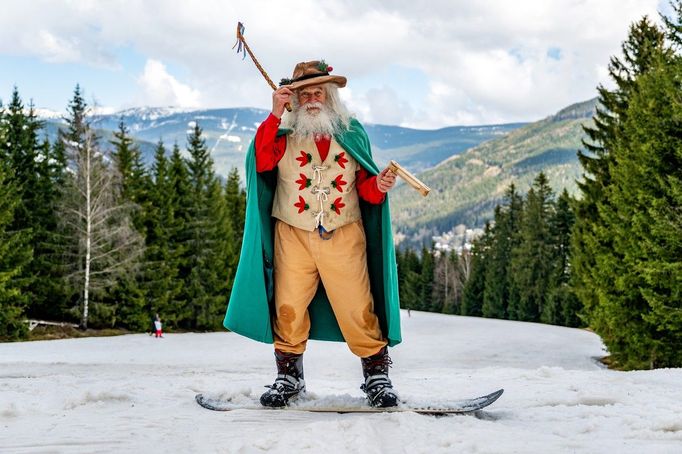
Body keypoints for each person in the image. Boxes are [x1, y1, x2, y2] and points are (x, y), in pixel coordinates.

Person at [224, 60, 402, 408]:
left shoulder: (352, 132)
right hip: (292, 234)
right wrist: (274, 115)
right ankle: (289, 378)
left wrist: (378, 185)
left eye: (318, 90)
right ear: (295, 97)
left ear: (330, 94)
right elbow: (261, 163)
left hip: (344, 234)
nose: (312, 98)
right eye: (304, 92)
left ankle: (376, 377)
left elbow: (364, 189)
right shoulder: (281, 133)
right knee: (288, 306)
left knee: (358, 307)